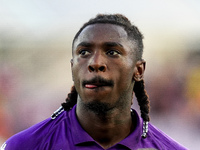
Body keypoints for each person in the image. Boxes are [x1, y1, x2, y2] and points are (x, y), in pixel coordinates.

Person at [1, 14, 187, 150]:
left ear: (138, 70)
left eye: (112, 52)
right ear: (72, 67)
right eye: (84, 52)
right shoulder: (24, 146)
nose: (95, 63)